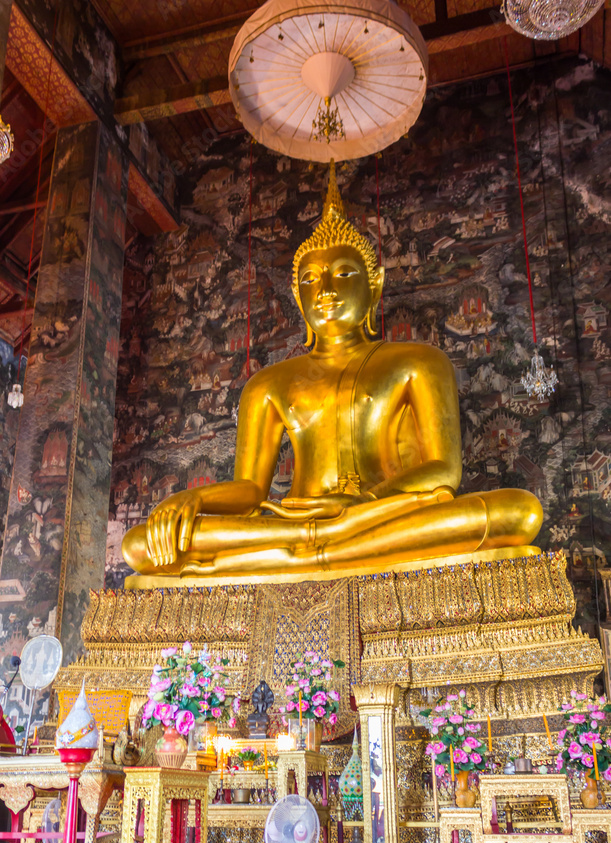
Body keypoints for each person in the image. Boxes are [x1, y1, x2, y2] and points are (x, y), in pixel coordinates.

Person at [123, 163, 541, 579]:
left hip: (377, 516)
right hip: (290, 522)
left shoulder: (419, 361)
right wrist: (193, 500)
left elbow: (443, 471)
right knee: (140, 546)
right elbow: (251, 491)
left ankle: (300, 557)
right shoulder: (268, 384)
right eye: (311, 278)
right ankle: (310, 551)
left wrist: (359, 504)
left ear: (374, 284)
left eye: (343, 274)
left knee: (518, 512)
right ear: (295, 294)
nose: (325, 290)